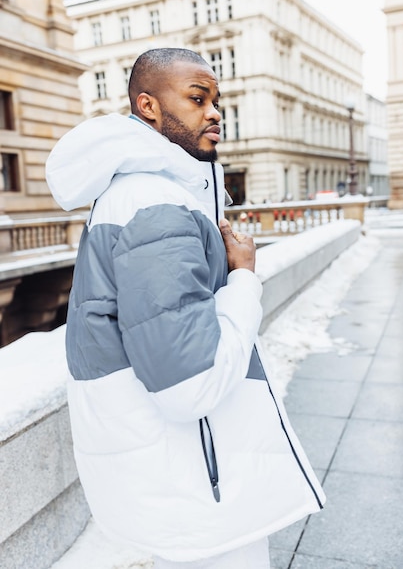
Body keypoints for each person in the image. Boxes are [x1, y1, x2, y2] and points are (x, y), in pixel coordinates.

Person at [46, 48, 325, 568]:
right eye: (198, 99)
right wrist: (243, 279)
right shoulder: (154, 202)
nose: (215, 112)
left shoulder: (143, 193)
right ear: (148, 105)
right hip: (198, 486)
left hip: (179, 478)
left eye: (216, 100)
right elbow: (189, 387)